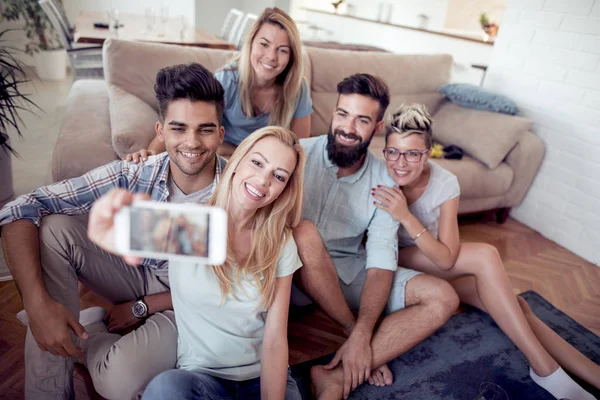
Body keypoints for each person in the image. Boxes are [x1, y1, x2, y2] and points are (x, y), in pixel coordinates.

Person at [0, 62, 227, 400]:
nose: (192, 142)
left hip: (191, 301)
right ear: (161, 131)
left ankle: (87, 327)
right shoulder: (137, 172)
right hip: (138, 272)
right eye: (178, 128)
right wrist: (37, 304)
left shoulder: (238, 192)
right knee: (53, 228)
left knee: (118, 383)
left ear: (221, 134)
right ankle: (47, 392)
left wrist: (142, 307)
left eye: (205, 129)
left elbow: (229, 291)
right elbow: (18, 209)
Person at [372, 103, 600, 400]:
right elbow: (377, 251)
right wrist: (404, 215)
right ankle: (546, 370)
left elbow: (446, 258)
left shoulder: (444, 182)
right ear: (385, 150)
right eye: (393, 152)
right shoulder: (379, 178)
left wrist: (406, 216)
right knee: (484, 255)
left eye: (413, 153)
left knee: (518, 307)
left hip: (433, 262)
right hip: (391, 262)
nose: (401, 163)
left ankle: (590, 375)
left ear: (428, 154)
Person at [86, 126, 306, 400]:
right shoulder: (195, 226)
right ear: (237, 162)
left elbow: (274, 339)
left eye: (279, 176)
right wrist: (110, 219)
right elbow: (118, 232)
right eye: (257, 162)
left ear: (284, 190)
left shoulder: (279, 242)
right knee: (165, 389)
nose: (263, 180)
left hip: (259, 377)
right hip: (201, 378)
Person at [290, 74, 460, 400]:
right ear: (334, 112)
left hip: (344, 272)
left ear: (377, 127)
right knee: (305, 231)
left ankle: (336, 378)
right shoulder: (298, 154)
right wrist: (358, 333)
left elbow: (382, 257)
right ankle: (353, 337)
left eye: (362, 119)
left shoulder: (384, 179)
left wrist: (367, 331)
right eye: (343, 114)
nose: (348, 127)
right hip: (288, 273)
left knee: (444, 297)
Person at [130, 7, 312, 161]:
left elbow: (299, 147)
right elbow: (187, 122)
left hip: (267, 162)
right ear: (250, 43)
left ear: (291, 56)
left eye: (282, 50)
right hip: (226, 157)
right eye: (264, 44)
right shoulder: (227, 80)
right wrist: (150, 155)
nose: (271, 56)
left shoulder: (297, 88)